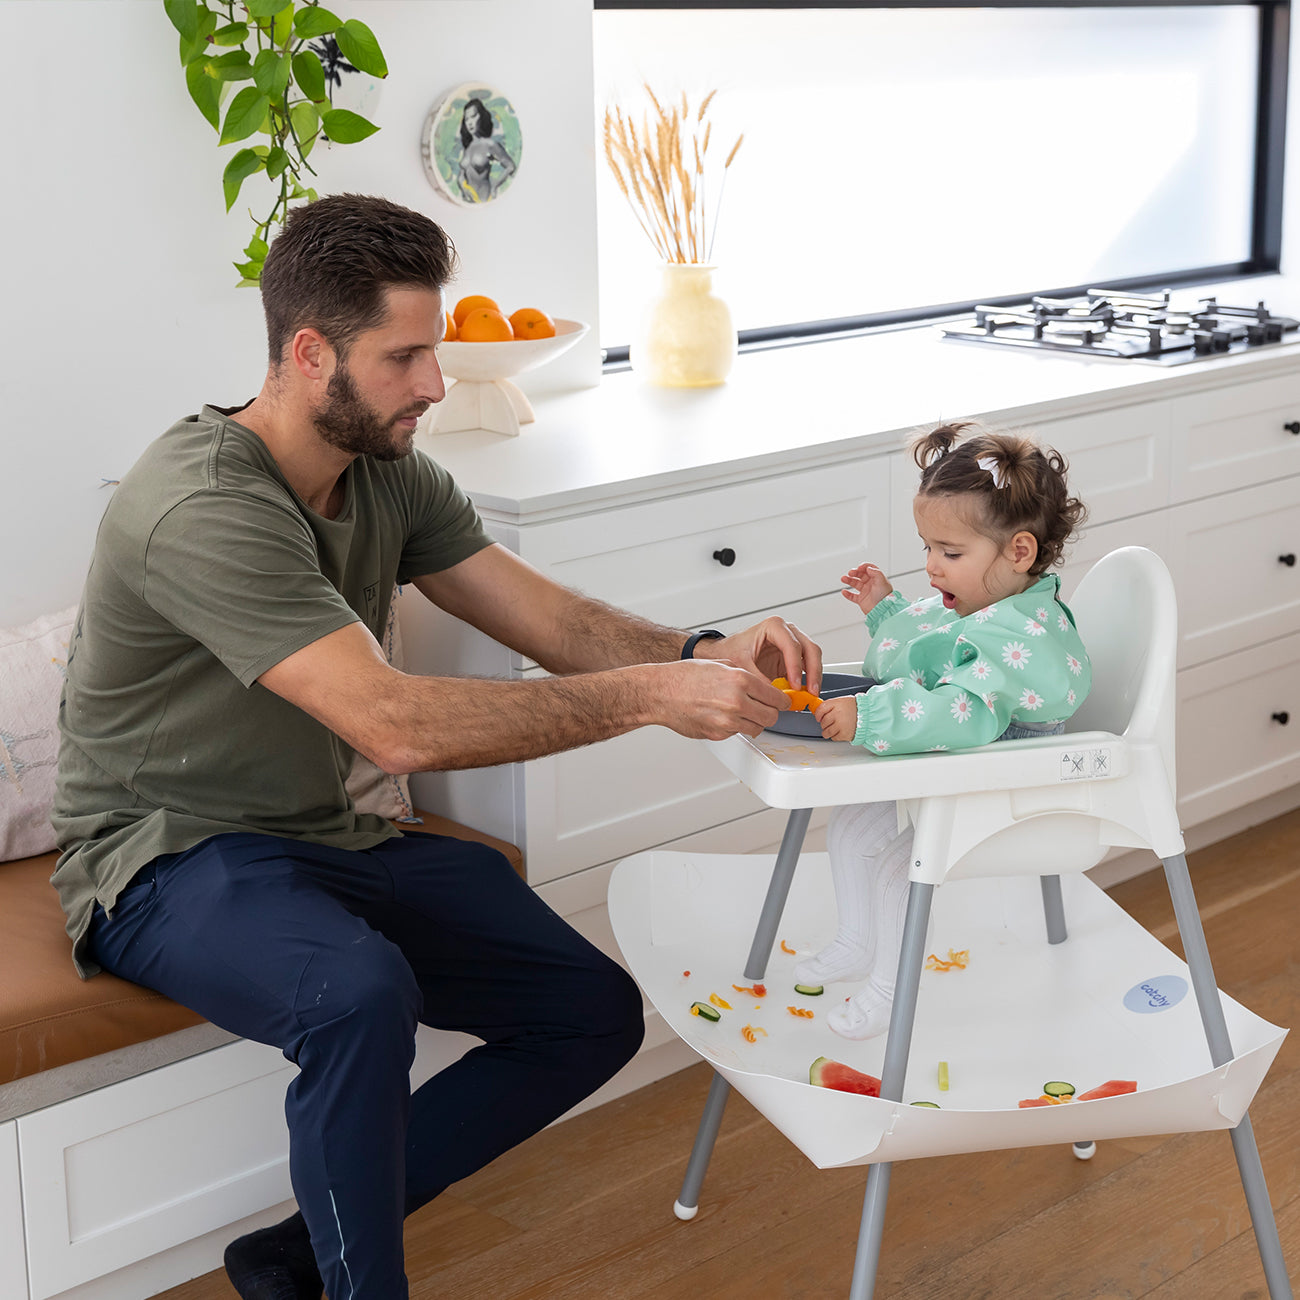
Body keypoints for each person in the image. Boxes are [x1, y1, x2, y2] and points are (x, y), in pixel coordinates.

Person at [51, 193, 819, 1300]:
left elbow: (552, 622)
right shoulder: (205, 503)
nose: (433, 384)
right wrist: (653, 696)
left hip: (328, 837)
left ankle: (293, 1256)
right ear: (310, 354)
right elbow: (394, 725)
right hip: (165, 859)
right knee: (357, 993)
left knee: (585, 1013)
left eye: (435, 350)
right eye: (405, 356)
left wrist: (700, 645)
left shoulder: (385, 470)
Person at [796, 421, 1091, 1040]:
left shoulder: (1019, 636)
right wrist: (886, 610)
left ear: (1019, 552)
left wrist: (871, 717)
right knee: (851, 818)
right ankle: (855, 940)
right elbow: (940, 650)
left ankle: (889, 990)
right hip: (961, 761)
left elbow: (967, 709)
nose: (931, 568)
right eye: (926, 547)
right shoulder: (988, 602)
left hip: (1011, 783)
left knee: (898, 868)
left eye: (949, 554)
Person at [458, 97, 516, 202]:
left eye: (473, 116)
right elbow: (462, 173)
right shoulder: (468, 147)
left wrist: (495, 184)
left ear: (481, 116)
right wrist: (463, 187)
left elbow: (510, 166)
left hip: (483, 197)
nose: (470, 122)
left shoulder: (490, 144)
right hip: (468, 199)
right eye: (467, 119)